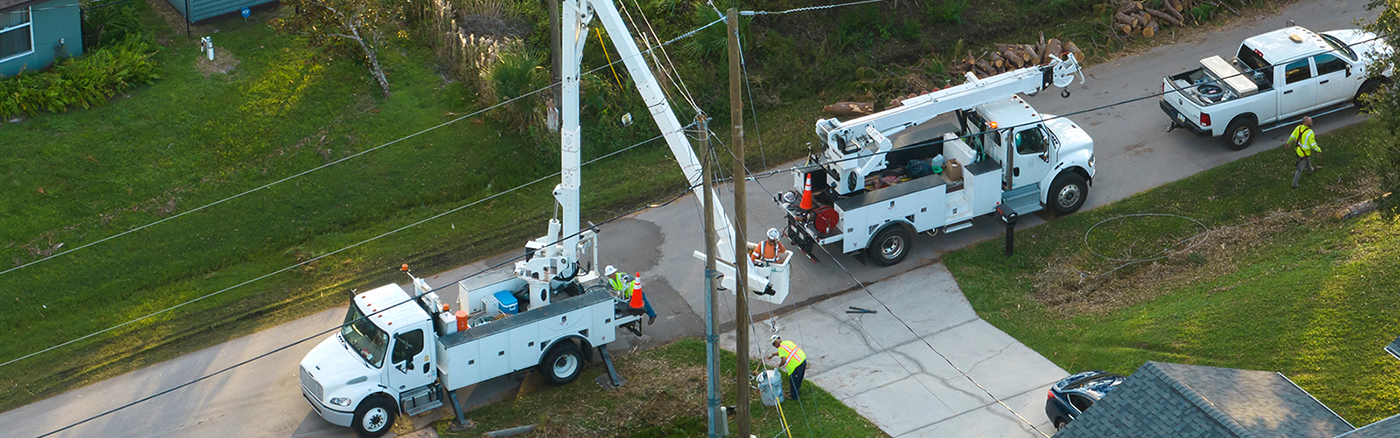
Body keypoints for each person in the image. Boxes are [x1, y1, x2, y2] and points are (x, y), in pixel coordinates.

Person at [766, 335, 807, 401]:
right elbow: (785, 352)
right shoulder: (787, 342)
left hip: (796, 365)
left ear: (776, 342)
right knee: (799, 378)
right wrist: (773, 355)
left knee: (793, 381)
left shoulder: (780, 348)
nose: (775, 346)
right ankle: (795, 390)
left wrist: (778, 366)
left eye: (774, 344)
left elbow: (783, 360)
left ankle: (794, 396)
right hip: (802, 360)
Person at [1289, 116, 1321, 189]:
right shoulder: (1310, 133)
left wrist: (1288, 143)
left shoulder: (1298, 128)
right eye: (1310, 121)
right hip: (1304, 153)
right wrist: (1319, 150)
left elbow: (1292, 136)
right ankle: (1294, 184)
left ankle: (1310, 171)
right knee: (1299, 169)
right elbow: (1313, 144)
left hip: (1299, 150)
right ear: (1306, 123)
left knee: (1307, 161)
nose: (1312, 122)